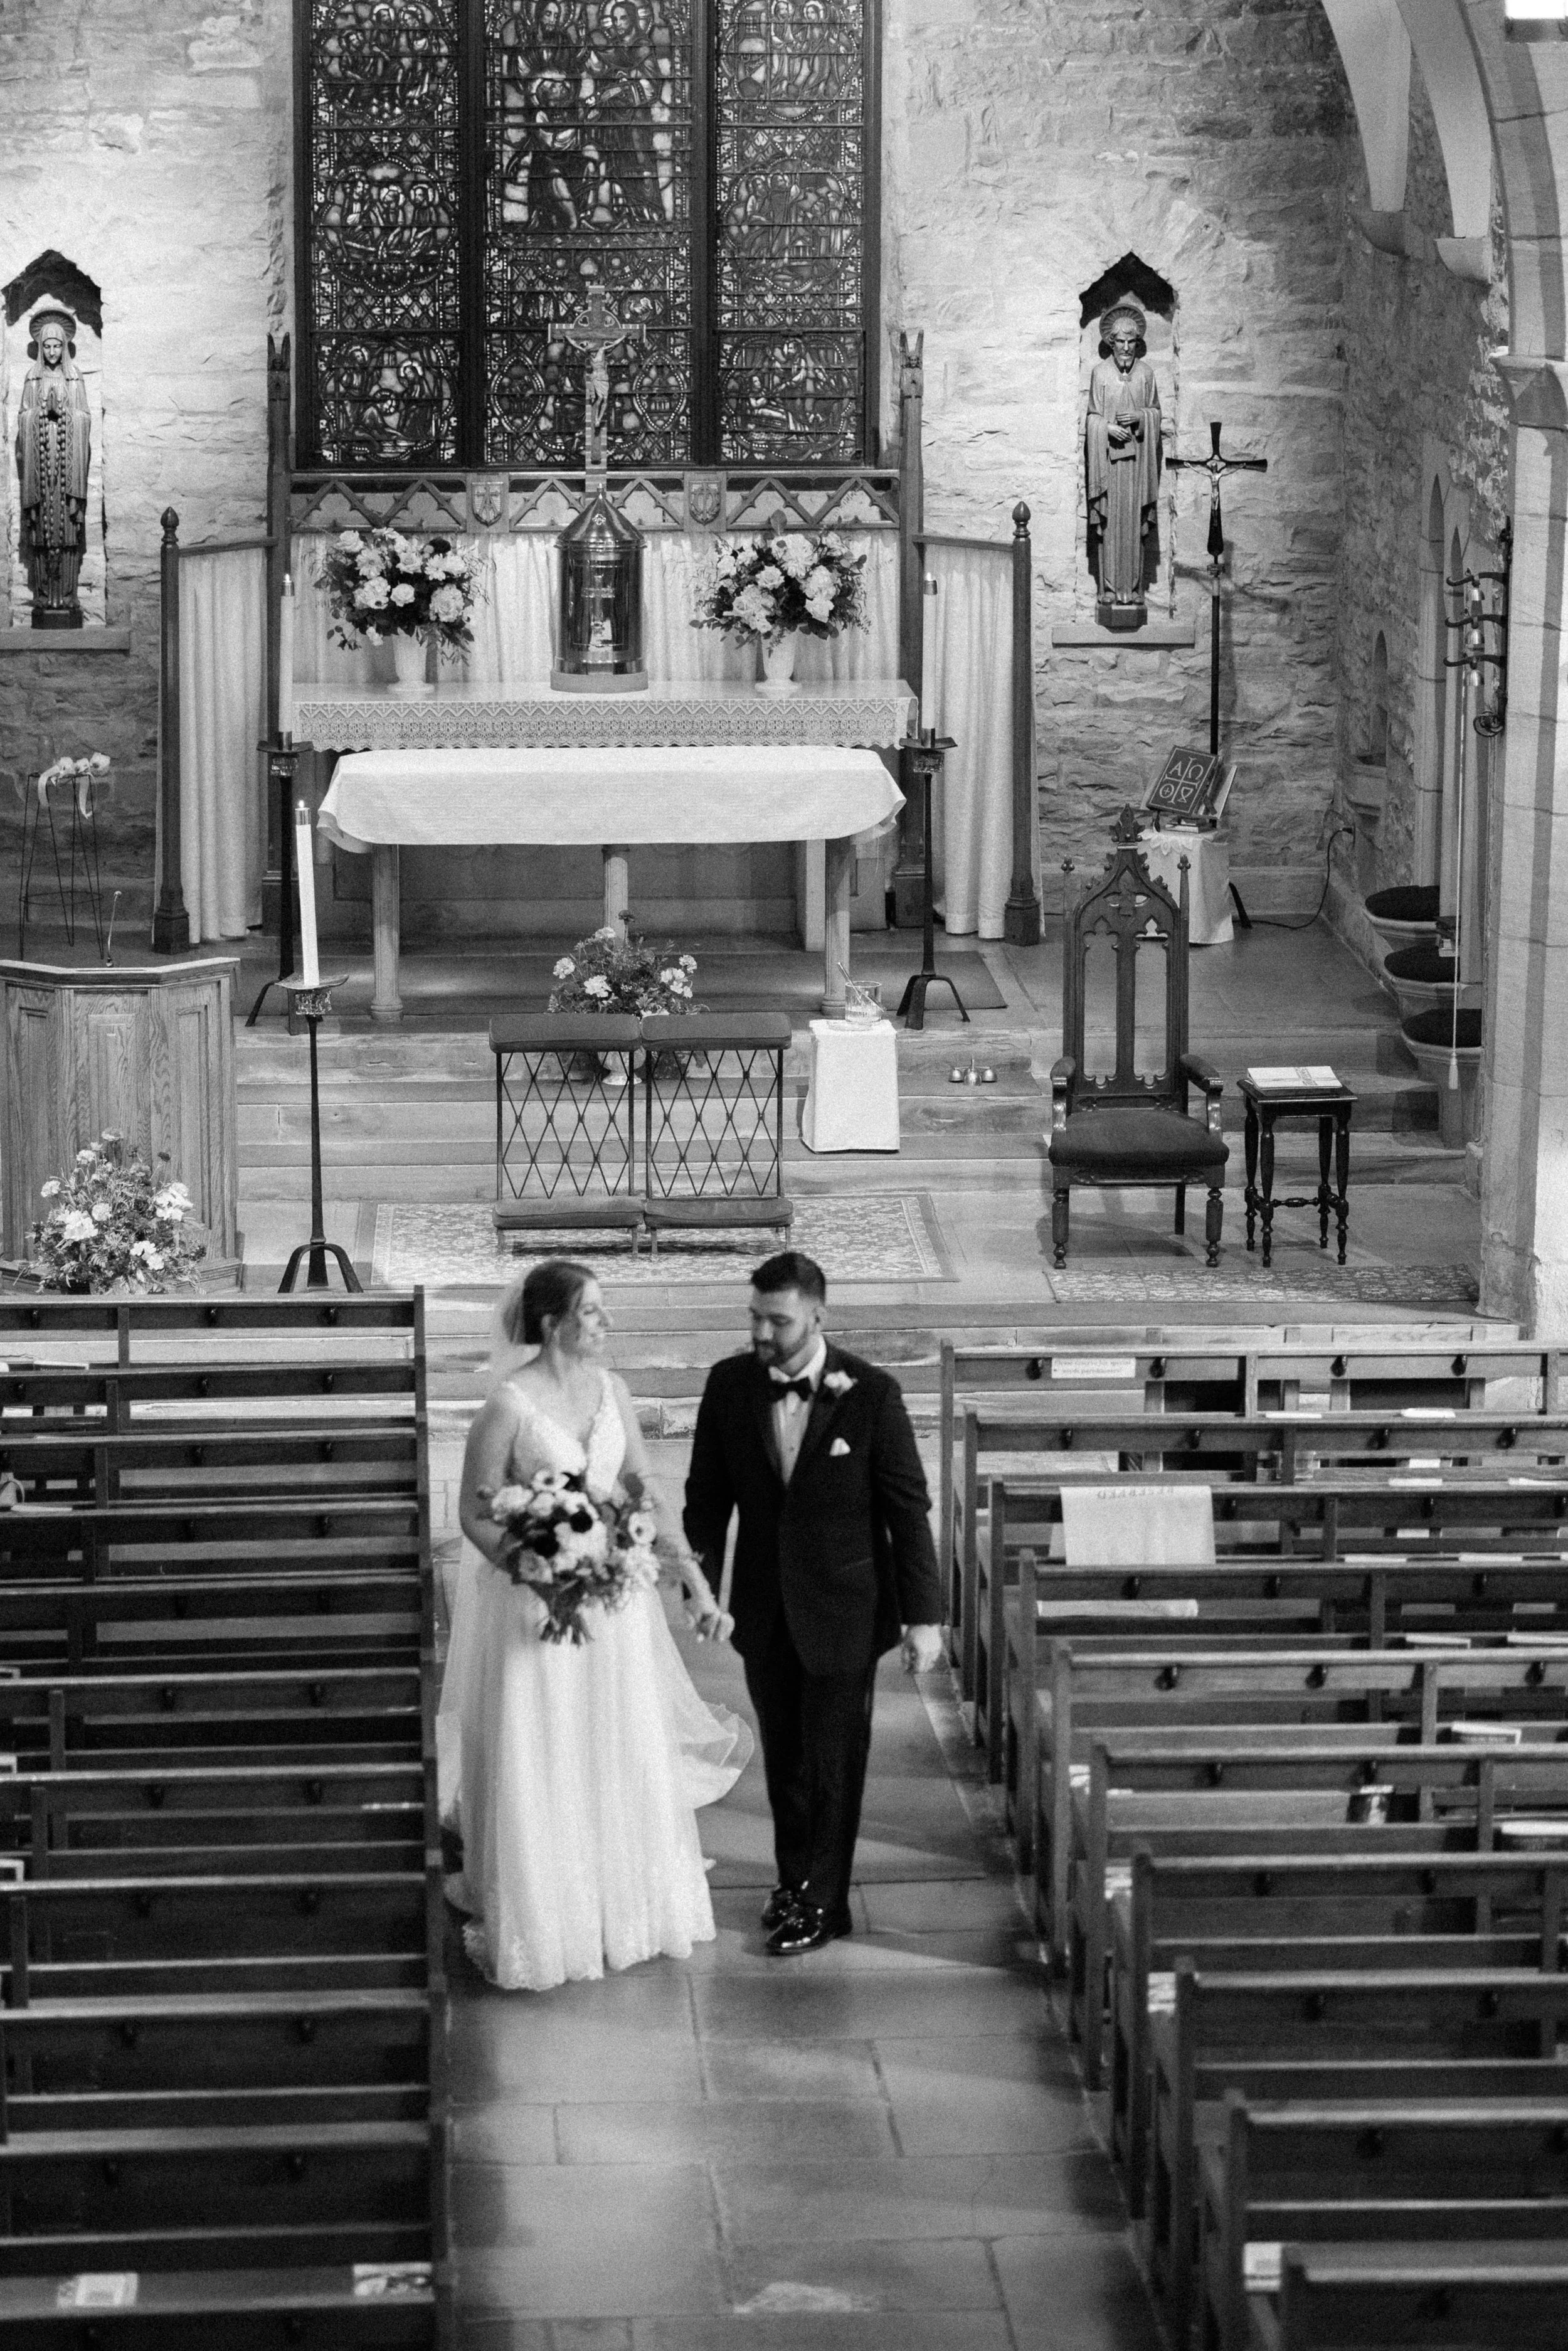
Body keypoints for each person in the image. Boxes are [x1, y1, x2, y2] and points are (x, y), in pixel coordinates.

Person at [440, 1258, 750, 1992]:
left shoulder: (614, 1390)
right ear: (553, 1324)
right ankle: (548, 1914)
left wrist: (698, 1583)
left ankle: (624, 1903)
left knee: (617, 1740)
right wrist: (535, 1570)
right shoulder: (510, 1406)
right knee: (545, 1746)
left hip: (615, 1604)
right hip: (535, 1608)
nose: (605, 1325)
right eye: (593, 1312)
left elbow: (643, 1490)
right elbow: (473, 1515)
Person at [683, 1251, 945, 1956]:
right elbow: (705, 1499)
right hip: (764, 1610)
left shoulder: (871, 1393)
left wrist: (925, 1618)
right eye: (755, 1317)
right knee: (787, 1760)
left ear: (817, 1315)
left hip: (845, 1611)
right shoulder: (730, 1385)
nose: (762, 1333)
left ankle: (824, 1901)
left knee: (833, 1761)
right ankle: (794, 1881)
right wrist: (699, 1582)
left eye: (778, 1320)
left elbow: (907, 1510)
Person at [1084, 297, 1162, 618]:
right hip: (1111, 469)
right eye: (1121, 343)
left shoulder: (1146, 375)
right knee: (1111, 526)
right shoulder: (1100, 374)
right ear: (1111, 344)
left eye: (1132, 343)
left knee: (1135, 525)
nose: (1127, 348)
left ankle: (1136, 589)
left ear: (1137, 344)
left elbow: (1156, 412)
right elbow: (1091, 417)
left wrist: (1143, 418)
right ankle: (1108, 590)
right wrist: (1107, 429)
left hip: (1137, 467)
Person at [16, 308, 91, 627]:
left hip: (66, 469)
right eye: (46, 346)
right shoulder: (32, 379)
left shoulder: (75, 379)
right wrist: (39, 414)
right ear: (40, 347)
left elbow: (85, 418)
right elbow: (23, 420)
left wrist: (67, 415)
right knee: (43, 531)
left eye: (57, 346)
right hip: (41, 471)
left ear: (65, 347)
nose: (51, 352)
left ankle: (69, 594)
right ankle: (45, 595)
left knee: (68, 531)